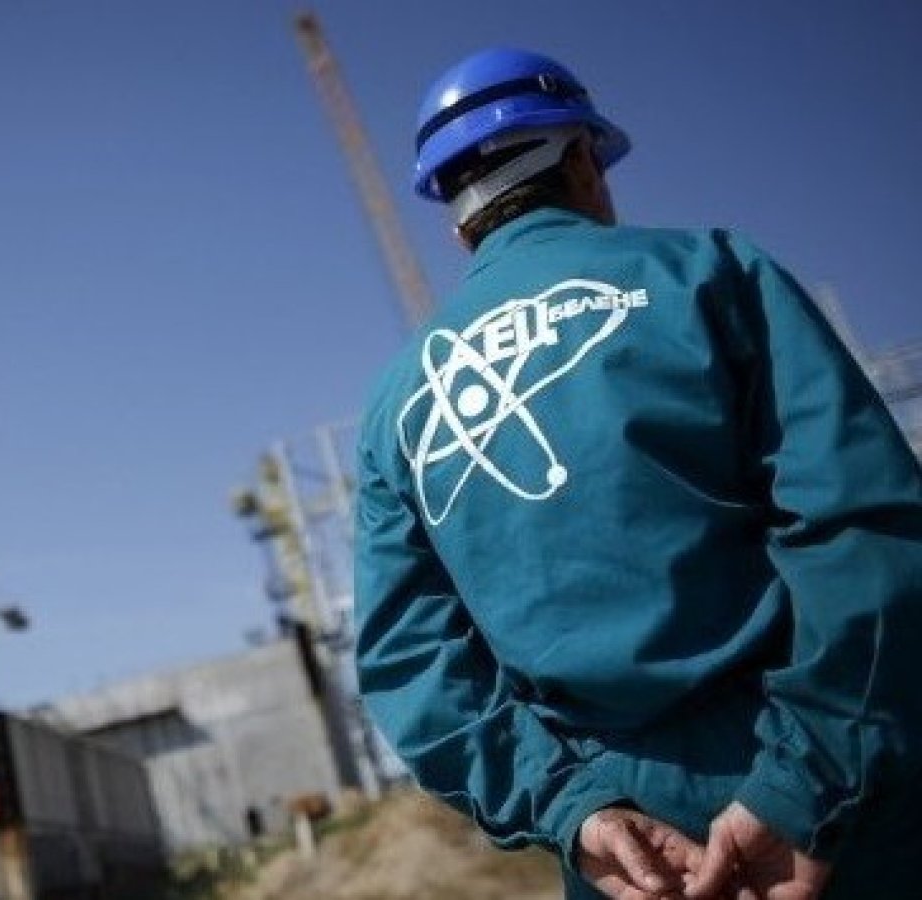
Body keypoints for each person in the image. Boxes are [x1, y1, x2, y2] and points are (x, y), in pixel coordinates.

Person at [352, 47, 922, 900]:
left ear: (457, 221)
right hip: (833, 812)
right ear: (583, 157)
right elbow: (864, 530)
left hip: (626, 854)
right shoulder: (710, 274)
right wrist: (807, 784)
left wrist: (573, 810)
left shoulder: (397, 408)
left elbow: (411, 663)